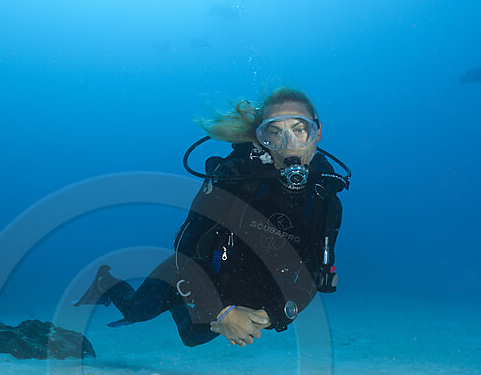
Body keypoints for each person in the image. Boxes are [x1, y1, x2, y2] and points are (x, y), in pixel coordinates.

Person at [74, 87, 347, 347]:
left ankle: (191, 312)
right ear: (261, 138)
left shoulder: (327, 201)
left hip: (249, 292)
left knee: (194, 337)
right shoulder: (235, 177)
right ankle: (105, 282)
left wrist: (275, 314)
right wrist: (220, 311)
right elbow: (185, 246)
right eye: (274, 133)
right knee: (137, 311)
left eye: (300, 130)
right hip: (192, 271)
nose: (289, 145)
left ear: (318, 132)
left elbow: (317, 275)